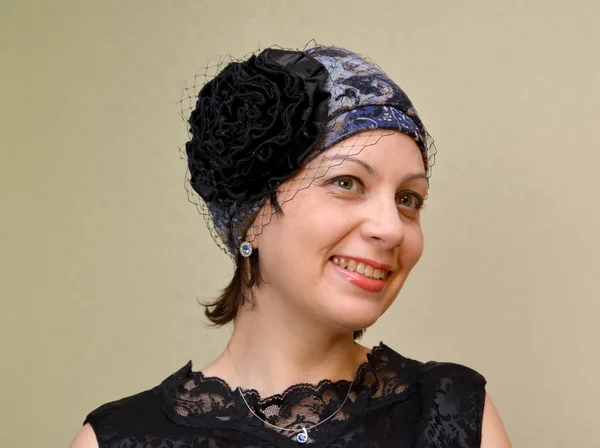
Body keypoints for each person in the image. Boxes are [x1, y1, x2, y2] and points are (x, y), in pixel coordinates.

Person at [71, 44, 511, 447]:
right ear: (255, 212)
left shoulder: (455, 413)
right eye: (347, 182)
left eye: (407, 200)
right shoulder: (116, 439)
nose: (392, 229)